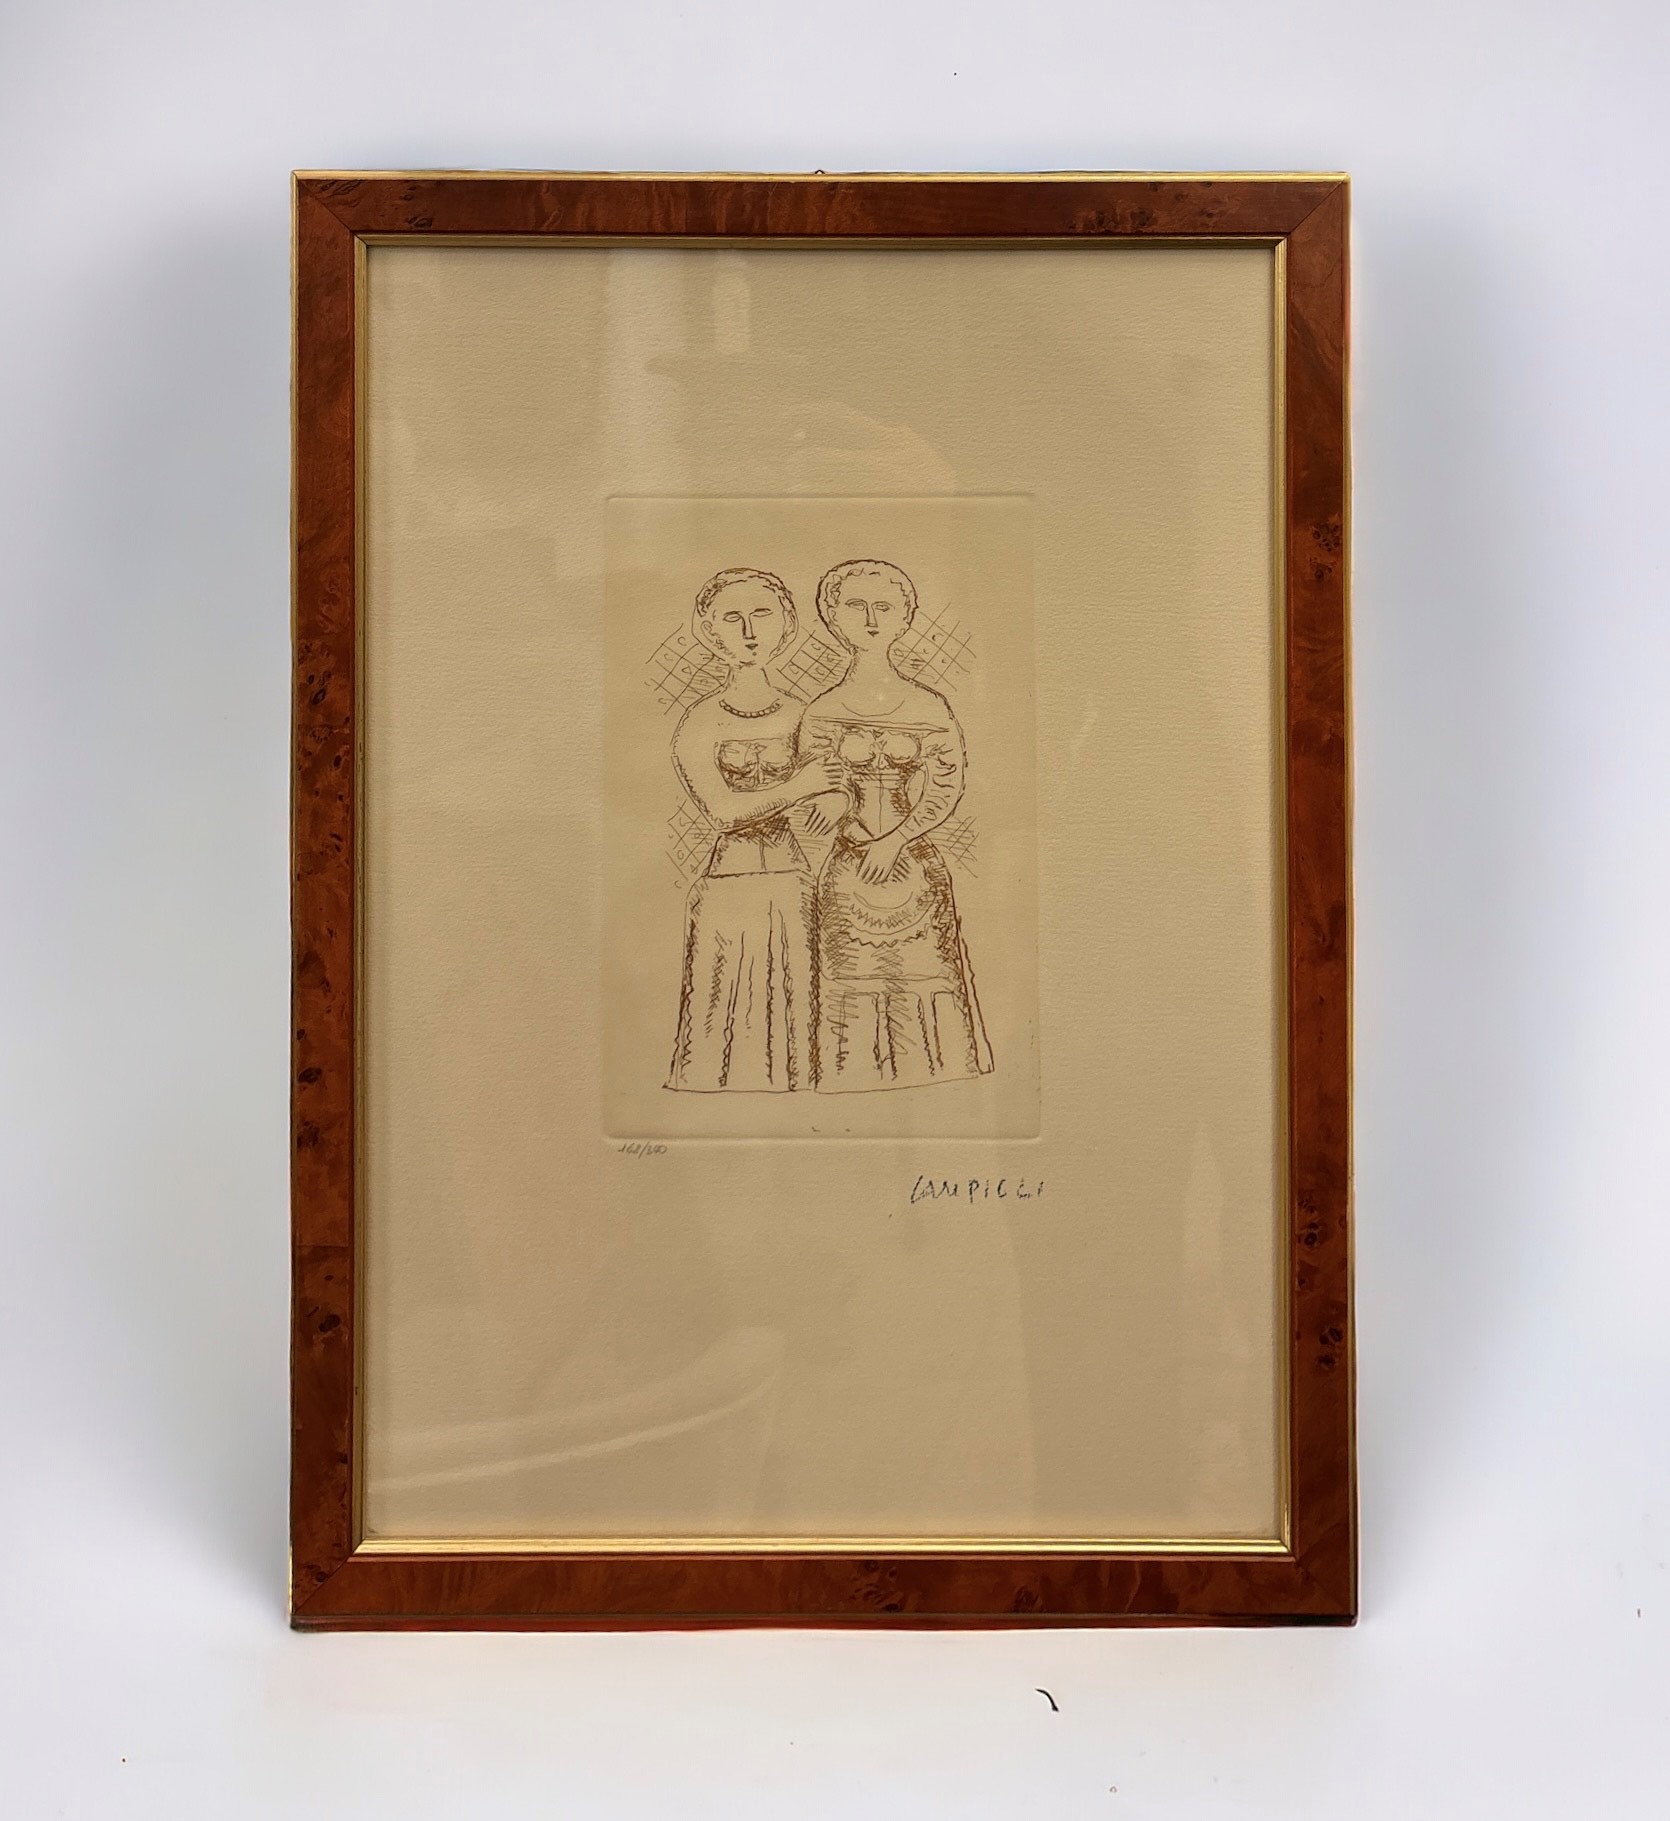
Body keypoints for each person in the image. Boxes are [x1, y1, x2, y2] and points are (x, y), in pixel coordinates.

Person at [801, 559, 993, 1091]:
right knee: (851, 976)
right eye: (855, 606)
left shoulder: (930, 706)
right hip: (848, 864)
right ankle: (852, 1082)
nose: (870, 620)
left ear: (905, 617)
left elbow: (945, 788)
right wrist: (843, 811)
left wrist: (895, 840)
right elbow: (816, 787)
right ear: (831, 616)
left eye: (884, 607)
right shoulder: (821, 710)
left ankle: (938, 1081)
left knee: (925, 973)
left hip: (913, 863)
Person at [666, 568, 844, 1092]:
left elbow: (836, 783)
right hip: (727, 884)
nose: (748, 631)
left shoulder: (804, 714)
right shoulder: (699, 722)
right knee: (719, 1011)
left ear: (786, 625)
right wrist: (799, 787)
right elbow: (722, 814)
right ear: (709, 631)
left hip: (794, 881)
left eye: (762, 615)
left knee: (794, 1006)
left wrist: (834, 800)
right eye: (732, 618)